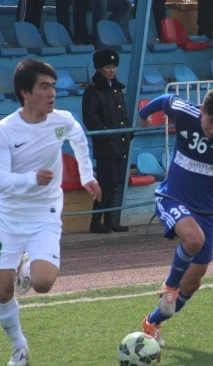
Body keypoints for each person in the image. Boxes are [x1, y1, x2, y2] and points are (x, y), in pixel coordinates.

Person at [0, 59, 101, 366]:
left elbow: (78, 138)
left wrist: (86, 175)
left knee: (43, 283)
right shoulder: (5, 129)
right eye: (44, 87)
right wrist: (32, 179)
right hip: (6, 217)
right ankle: (19, 347)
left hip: (45, 213)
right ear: (26, 93)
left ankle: (27, 264)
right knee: (2, 288)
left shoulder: (61, 121)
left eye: (53, 87)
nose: (52, 93)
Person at [137, 85, 213, 346]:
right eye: (210, 121)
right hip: (172, 197)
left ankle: (152, 322)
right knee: (193, 239)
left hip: (206, 211)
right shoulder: (186, 111)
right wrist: (143, 116)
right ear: (202, 110)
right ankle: (169, 286)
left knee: (192, 282)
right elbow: (165, 100)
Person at [82, 50, 131, 234]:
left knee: (115, 183)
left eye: (114, 67)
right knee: (105, 183)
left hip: (120, 143)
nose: (112, 70)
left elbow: (123, 115)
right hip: (105, 144)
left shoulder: (117, 90)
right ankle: (96, 221)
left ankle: (110, 219)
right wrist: (107, 136)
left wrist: (127, 134)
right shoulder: (92, 92)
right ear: (99, 68)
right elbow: (91, 119)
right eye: (108, 67)